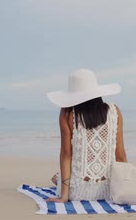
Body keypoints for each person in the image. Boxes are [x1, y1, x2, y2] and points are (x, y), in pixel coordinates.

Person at [45, 69, 128, 203]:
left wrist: (64, 196)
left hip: (77, 193)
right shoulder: (114, 112)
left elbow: (66, 155)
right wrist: (125, 188)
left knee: (58, 177)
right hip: (110, 191)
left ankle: (58, 179)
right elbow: (120, 155)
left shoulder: (67, 114)